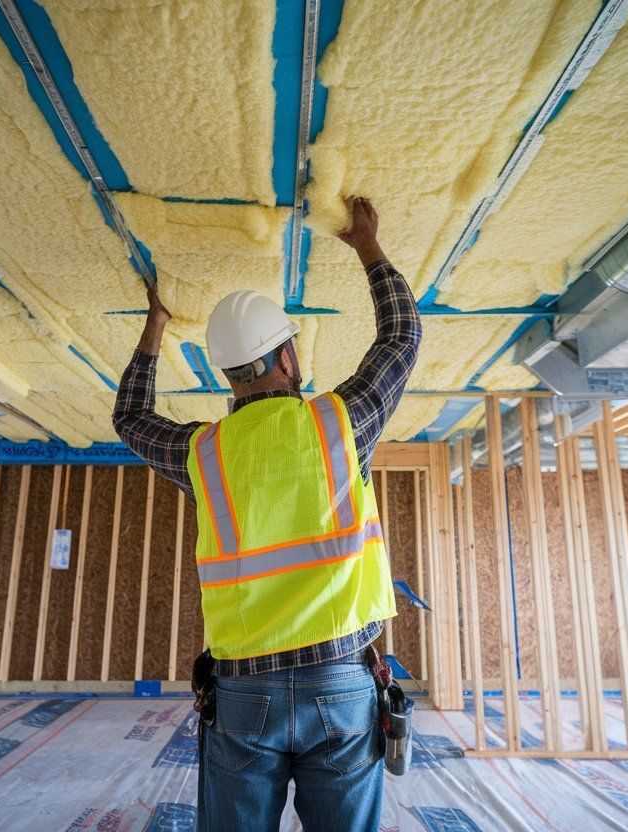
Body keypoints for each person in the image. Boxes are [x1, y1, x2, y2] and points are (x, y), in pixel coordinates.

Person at [112, 196, 421, 831]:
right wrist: (367, 244)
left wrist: (155, 326)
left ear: (228, 376)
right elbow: (402, 335)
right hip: (340, 680)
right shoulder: (339, 423)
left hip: (242, 694)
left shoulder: (203, 454)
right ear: (288, 359)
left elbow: (130, 418)